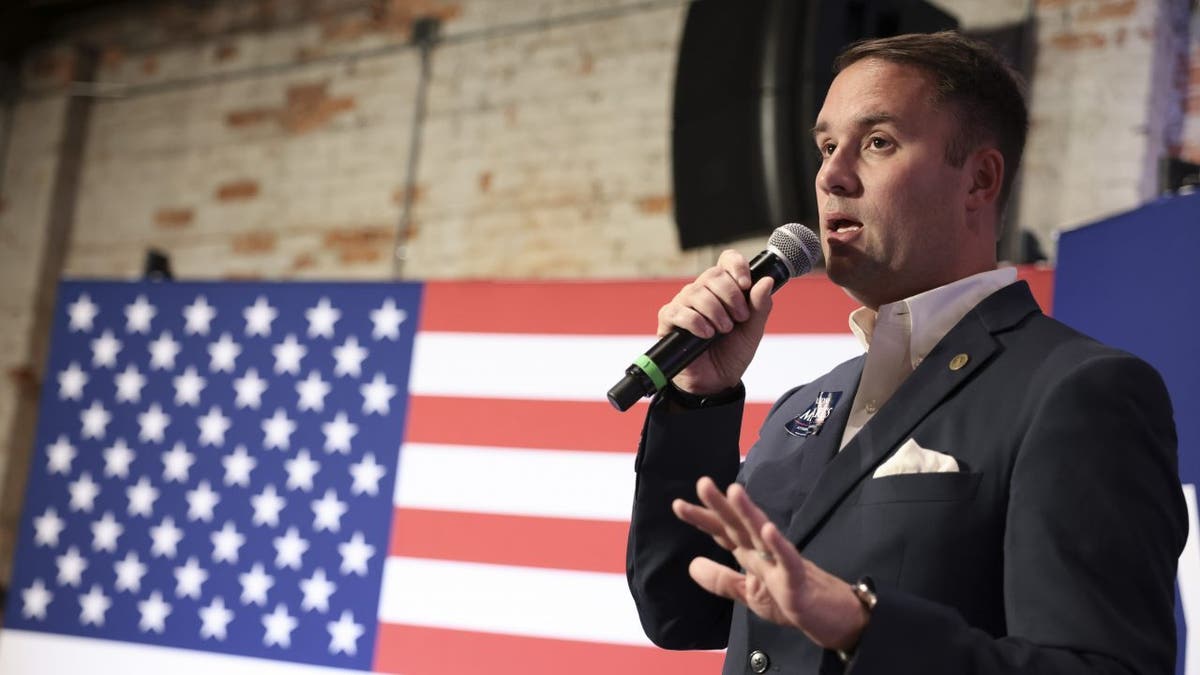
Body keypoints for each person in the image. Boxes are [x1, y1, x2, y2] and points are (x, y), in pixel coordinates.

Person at [626, 31, 1186, 674]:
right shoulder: (803, 409)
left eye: (877, 143)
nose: (832, 176)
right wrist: (700, 396)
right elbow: (680, 610)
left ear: (979, 179)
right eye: (827, 146)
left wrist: (864, 625)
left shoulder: (1080, 391)